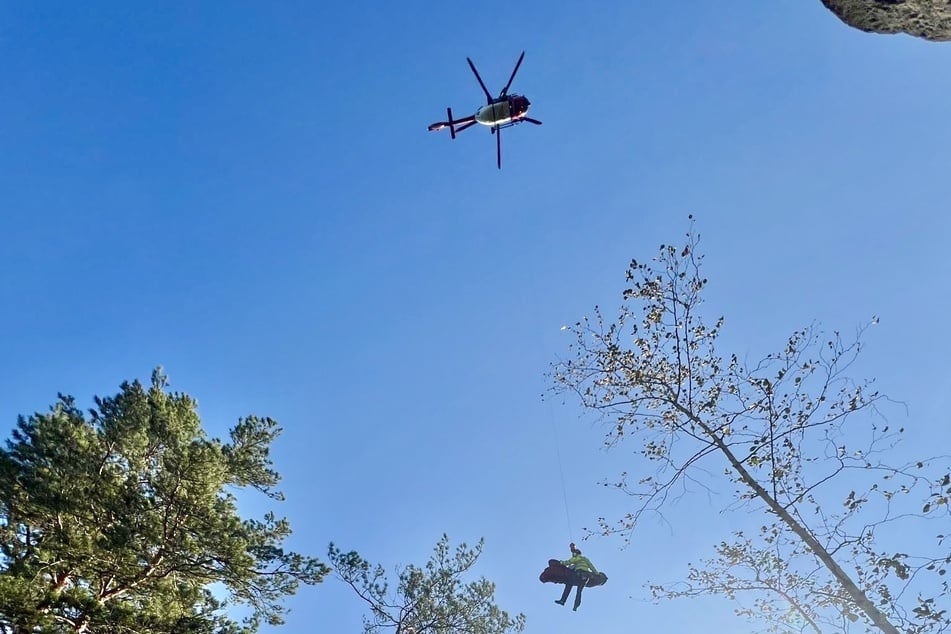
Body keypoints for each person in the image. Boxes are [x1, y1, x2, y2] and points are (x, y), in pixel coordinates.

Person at [555, 543, 598, 611]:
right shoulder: (585, 558)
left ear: (576, 554)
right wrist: (596, 573)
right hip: (585, 576)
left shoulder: (577, 558)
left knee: (568, 584)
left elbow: (569, 562)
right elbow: (591, 566)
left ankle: (563, 600)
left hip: (578, 574)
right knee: (579, 591)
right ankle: (576, 606)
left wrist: (560, 562)